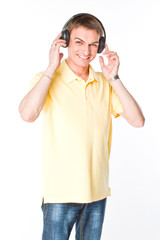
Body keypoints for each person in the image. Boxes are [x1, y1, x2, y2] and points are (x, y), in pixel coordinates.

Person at [19, 13, 145, 240]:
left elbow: (138, 121)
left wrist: (114, 78)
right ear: (65, 41)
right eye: (79, 42)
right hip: (60, 195)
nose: (86, 51)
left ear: (101, 46)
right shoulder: (47, 79)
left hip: (97, 194)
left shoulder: (105, 84)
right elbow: (27, 114)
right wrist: (50, 68)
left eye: (93, 45)